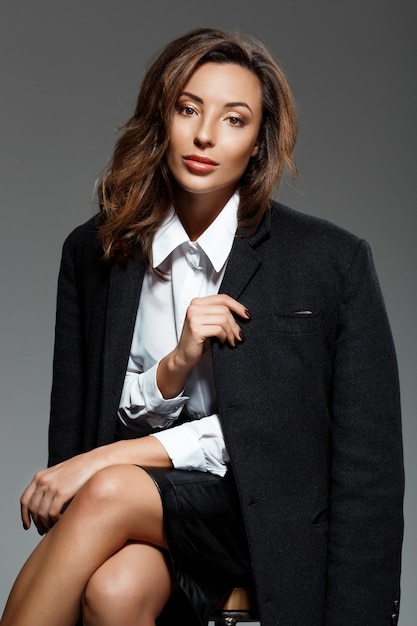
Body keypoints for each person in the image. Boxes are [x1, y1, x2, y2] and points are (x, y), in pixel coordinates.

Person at [1, 26, 404, 626]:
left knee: (110, 485)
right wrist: (173, 367)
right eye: (188, 109)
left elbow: (361, 468)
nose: (206, 135)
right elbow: (76, 429)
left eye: (234, 119)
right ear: (160, 117)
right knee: (114, 589)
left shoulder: (328, 262)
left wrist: (100, 465)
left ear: (259, 143)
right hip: (143, 517)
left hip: (264, 519)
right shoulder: (92, 252)